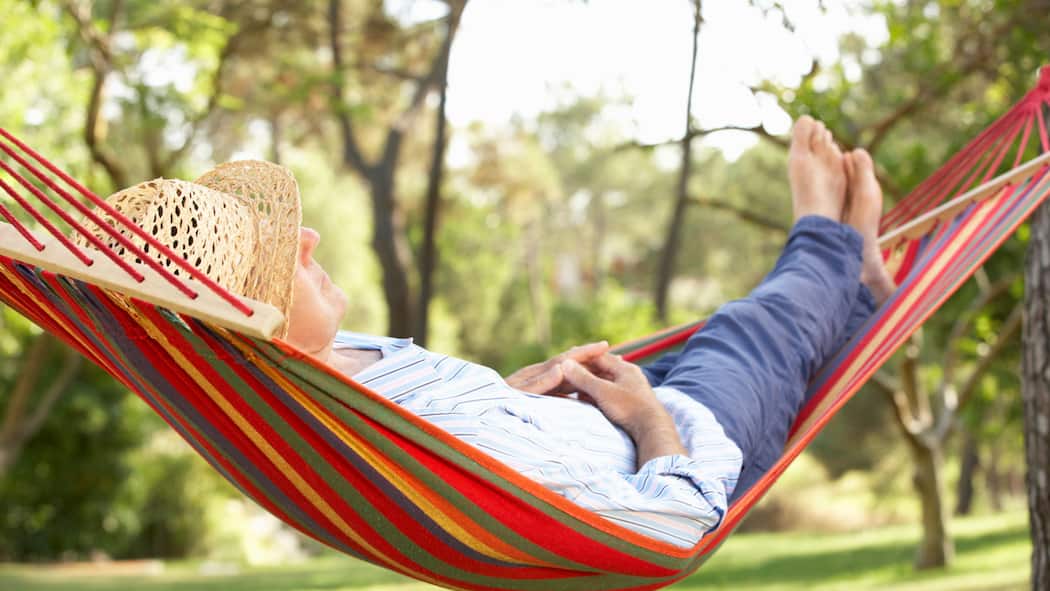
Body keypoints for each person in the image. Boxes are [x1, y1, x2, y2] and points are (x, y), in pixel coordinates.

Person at [89, 116, 895, 548]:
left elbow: (461, 441)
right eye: (278, 260)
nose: (311, 241)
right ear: (250, 323)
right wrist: (649, 413)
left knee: (758, 336)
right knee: (751, 333)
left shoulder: (347, 382)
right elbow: (672, 523)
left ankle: (861, 289)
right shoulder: (354, 429)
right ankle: (826, 237)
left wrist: (513, 390)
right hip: (685, 447)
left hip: (594, 414)